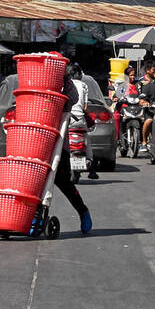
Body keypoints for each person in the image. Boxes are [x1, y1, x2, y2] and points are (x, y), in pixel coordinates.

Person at [51, 66, 93, 234]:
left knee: (65, 183)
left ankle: (83, 211)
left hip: (60, 144)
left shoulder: (65, 91)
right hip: (36, 146)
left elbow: (74, 98)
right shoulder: (34, 92)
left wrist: (64, 77)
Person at [64, 63, 97, 180]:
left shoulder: (64, 85)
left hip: (67, 120)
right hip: (80, 121)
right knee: (86, 139)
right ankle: (91, 166)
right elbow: (85, 107)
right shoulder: (84, 85)